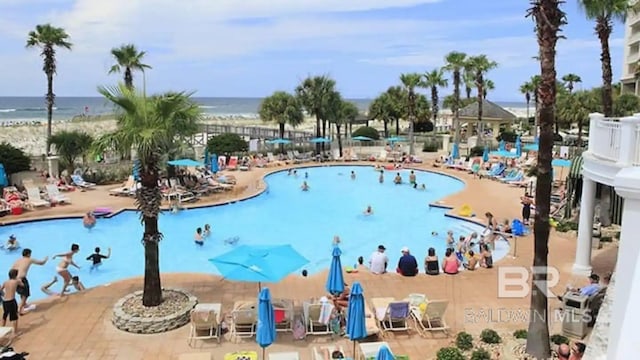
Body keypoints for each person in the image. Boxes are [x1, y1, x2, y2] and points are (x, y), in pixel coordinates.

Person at [11, 248, 48, 314]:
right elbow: (41, 263)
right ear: (28, 254)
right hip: (21, 279)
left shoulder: (18, 260)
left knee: (22, 293)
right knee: (25, 294)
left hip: (13, 279)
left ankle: (24, 304)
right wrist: (45, 259)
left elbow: (11, 270)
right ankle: (19, 309)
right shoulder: (29, 259)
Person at [1, 269, 22, 333]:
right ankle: (15, 332)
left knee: (5, 315)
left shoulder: (5, 282)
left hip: (5, 301)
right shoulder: (16, 281)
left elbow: (0, 289)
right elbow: (22, 285)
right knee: (15, 316)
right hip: (11, 301)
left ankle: (2, 329)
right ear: (15, 276)